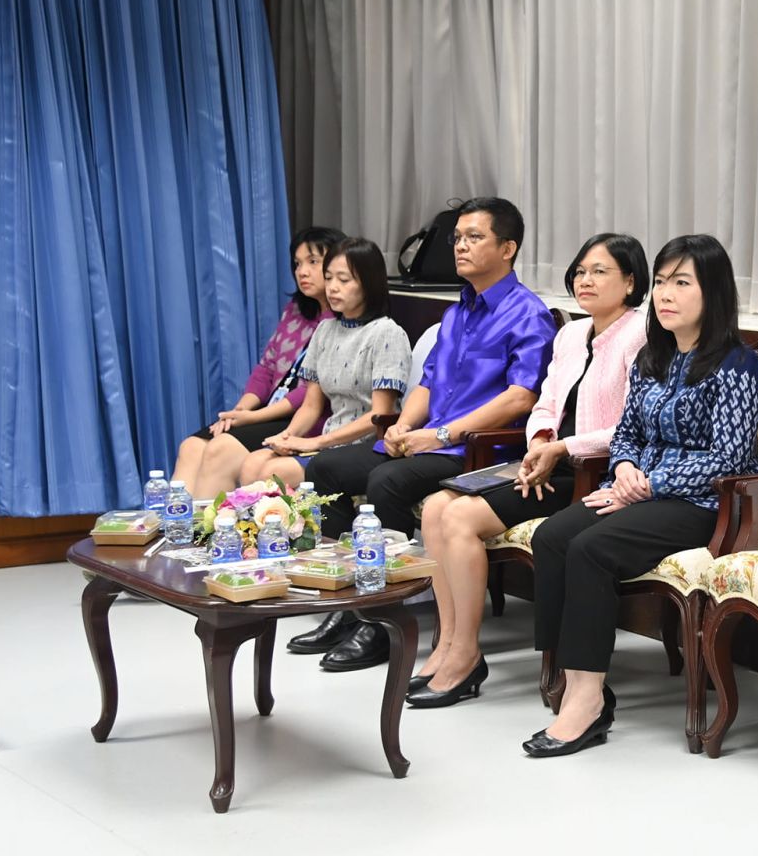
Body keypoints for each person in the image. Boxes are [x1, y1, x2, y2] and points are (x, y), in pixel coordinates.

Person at [523, 234, 758, 757]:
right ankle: (574, 678)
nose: (666, 294)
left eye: (682, 283)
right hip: (641, 491)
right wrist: (627, 468)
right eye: (661, 282)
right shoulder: (653, 358)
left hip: (706, 505)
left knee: (591, 549)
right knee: (553, 537)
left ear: (713, 292)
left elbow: (729, 458)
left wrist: (650, 483)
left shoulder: (737, 364)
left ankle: (586, 702)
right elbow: (626, 433)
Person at [290, 196, 555, 672]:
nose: (460, 246)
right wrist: (403, 425)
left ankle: (382, 620)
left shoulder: (528, 313)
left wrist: (442, 434)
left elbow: (521, 398)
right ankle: (348, 602)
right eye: (458, 237)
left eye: (474, 237)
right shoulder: (457, 313)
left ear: (508, 248)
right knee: (327, 469)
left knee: (387, 482)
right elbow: (429, 383)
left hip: (479, 451)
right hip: (431, 440)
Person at [407, 233, 650, 708]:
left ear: (630, 282)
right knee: (436, 506)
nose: (585, 280)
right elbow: (546, 402)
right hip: (546, 461)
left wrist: (560, 448)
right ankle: (450, 643)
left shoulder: (640, 334)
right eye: (580, 271)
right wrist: (539, 440)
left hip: (593, 472)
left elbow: (630, 426)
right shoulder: (571, 334)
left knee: (458, 518)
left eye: (600, 272)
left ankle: (466, 654)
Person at [170, 226, 345, 499]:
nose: (302, 271)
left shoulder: (341, 324)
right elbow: (266, 368)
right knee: (191, 446)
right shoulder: (295, 312)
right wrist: (240, 410)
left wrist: (251, 418)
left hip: (306, 419)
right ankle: (178, 523)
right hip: (268, 411)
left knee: (221, 449)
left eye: (312, 262)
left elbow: (307, 396)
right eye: (297, 263)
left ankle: (211, 525)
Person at [238, 238, 409, 491]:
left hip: (366, 446)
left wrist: (317, 442)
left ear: (368, 283)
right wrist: (288, 437)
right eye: (328, 278)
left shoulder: (386, 333)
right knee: (252, 463)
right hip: (329, 440)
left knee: (272, 473)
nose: (333, 287)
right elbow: (311, 406)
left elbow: (379, 415)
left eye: (344, 280)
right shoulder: (325, 329)